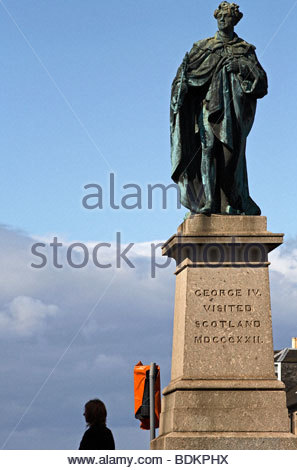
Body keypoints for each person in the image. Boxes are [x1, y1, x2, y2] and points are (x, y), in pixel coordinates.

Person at [170, 2, 268, 216]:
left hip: (233, 112)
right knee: (207, 150)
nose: (223, 20)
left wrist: (241, 66)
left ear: (236, 20)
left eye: (228, 16)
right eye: (220, 16)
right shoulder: (202, 47)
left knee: (229, 157)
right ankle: (209, 201)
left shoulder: (245, 50)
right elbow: (182, 78)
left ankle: (231, 200)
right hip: (207, 108)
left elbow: (261, 81)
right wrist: (181, 88)